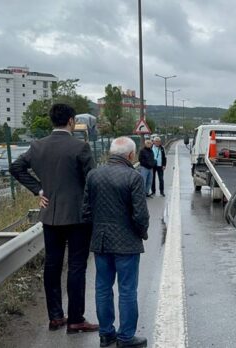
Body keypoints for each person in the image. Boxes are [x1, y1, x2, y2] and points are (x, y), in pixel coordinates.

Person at [9, 103, 99, 334]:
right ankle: (76, 319)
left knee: (52, 265)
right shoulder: (80, 147)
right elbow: (92, 181)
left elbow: (16, 167)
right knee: (77, 266)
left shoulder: (37, 146)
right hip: (78, 216)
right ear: (71, 121)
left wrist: (39, 190)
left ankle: (56, 317)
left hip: (49, 216)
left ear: (52, 121)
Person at [83, 137, 149, 348]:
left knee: (103, 288)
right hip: (127, 242)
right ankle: (126, 337)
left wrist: (96, 231)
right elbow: (140, 215)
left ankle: (106, 334)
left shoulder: (93, 175)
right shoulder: (133, 177)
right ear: (130, 155)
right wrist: (141, 233)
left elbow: (86, 211)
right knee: (127, 289)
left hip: (101, 241)